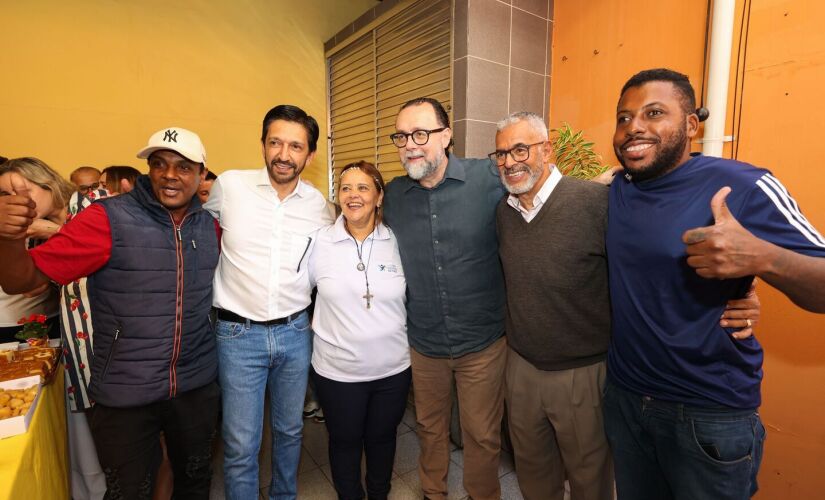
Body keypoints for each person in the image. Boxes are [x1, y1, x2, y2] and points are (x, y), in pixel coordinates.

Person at [603, 68, 825, 500]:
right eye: (624, 118)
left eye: (653, 113)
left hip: (708, 413)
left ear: (690, 126)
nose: (634, 128)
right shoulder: (618, 188)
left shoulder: (743, 186)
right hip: (627, 401)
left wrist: (763, 257)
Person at [0, 127, 220, 499]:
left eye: (183, 167)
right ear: (148, 170)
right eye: (159, 164)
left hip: (194, 385)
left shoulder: (210, 225)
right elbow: (21, 279)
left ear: (201, 174)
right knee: (128, 491)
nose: (170, 174)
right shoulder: (107, 219)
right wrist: (8, 238)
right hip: (125, 390)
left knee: (194, 482)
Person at [203, 104, 334, 500]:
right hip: (237, 335)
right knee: (242, 442)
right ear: (263, 144)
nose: (283, 154)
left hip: (296, 333)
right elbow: (192, 230)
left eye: (295, 146)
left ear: (309, 155)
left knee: (290, 430)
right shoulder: (230, 187)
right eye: (275, 142)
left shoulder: (319, 206)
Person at [383, 97, 506, 500]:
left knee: (482, 435)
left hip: (483, 342)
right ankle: (433, 493)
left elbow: (539, 191)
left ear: (447, 135)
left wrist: (607, 182)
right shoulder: (394, 196)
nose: (410, 145)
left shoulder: (489, 178)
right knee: (430, 430)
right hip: (425, 343)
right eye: (401, 137)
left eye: (421, 133)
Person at [308, 160, 410, 500]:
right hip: (338, 372)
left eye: (363, 187)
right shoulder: (319, 242)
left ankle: (379, 494)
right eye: (346, 188)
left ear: (379, 197)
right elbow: (295, 294)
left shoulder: (398, 240)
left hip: (393, 369)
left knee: (382, 440)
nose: (353, 195)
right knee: (345, 441)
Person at [0, 158, 72, 343]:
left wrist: (54, 232)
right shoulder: (34, 235)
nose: (18, 200)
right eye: (6, 194)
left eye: (24, 191)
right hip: (72, 332)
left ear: (49, 184)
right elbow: (29, 287)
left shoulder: (92, 208)